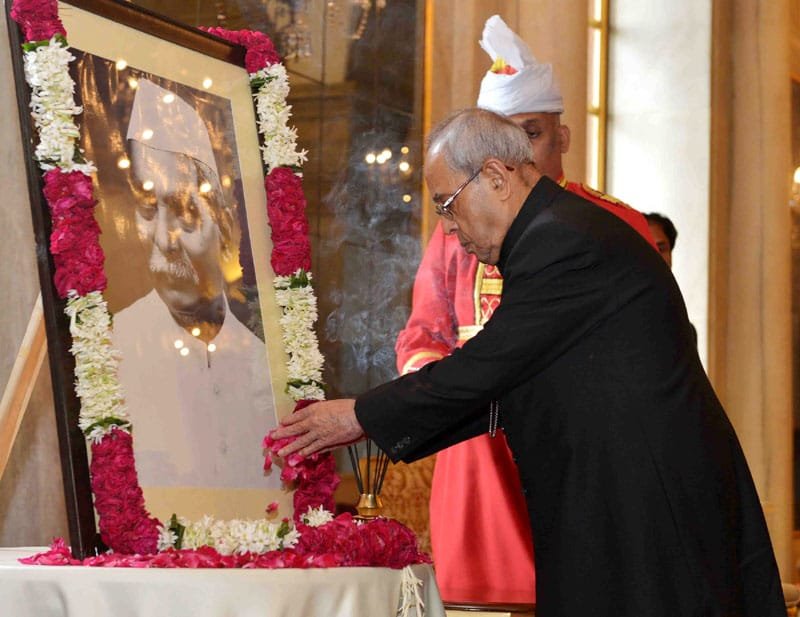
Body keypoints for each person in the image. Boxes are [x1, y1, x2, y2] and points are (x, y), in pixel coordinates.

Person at [273, 108, 785, 617]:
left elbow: (486, 368)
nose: (449, 231)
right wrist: (371, 420)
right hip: (621, 501)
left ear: (496, 176)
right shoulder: (551, 231)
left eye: (448, 206)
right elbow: (510, 382)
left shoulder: (562, 240)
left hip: (649, 508)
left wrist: (358, 416)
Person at [394, 15, 655, 604]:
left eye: (531, 135)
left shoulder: (614, 226)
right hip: (478, 447)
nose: (512, 159)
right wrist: (427, 384)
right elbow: (423, 334)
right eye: (499, 141)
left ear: (562, 138)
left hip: (580, 439)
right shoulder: (455, 233)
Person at [112, 79, 279, 490]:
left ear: (224, 223)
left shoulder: (262, 360)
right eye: (149, 209)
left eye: (185, 211)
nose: (164, 239)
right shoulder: (112, 352)